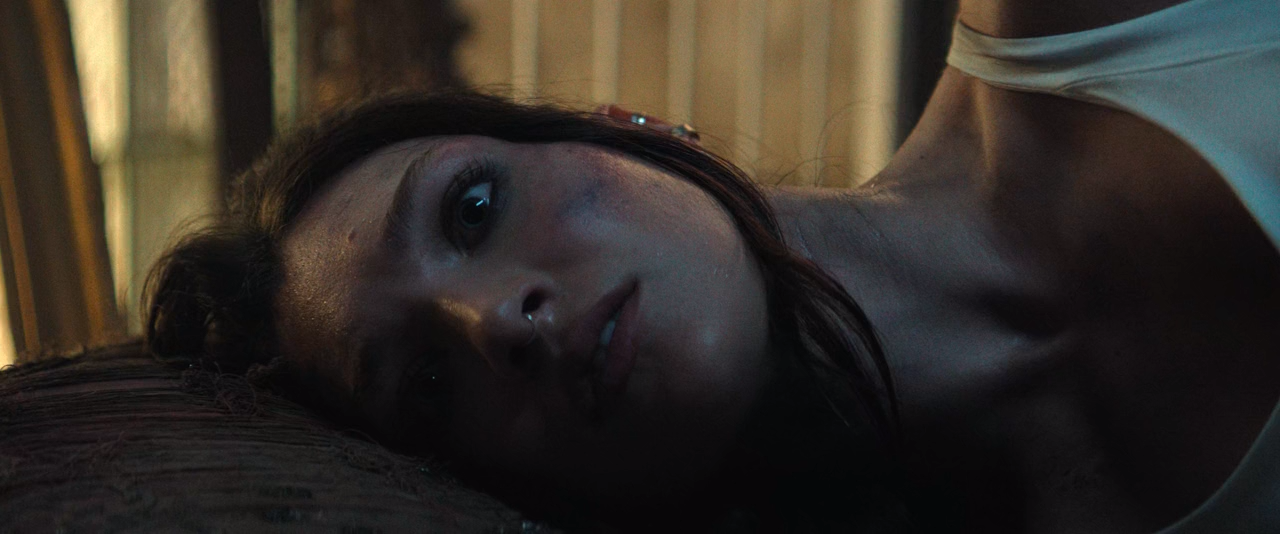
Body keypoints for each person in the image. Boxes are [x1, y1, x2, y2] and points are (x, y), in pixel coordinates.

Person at [144, 0, 1280, 531]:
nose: (499, 323)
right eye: (428, 385)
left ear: (620, 128)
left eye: (474, 208)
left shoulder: (1084, 21)